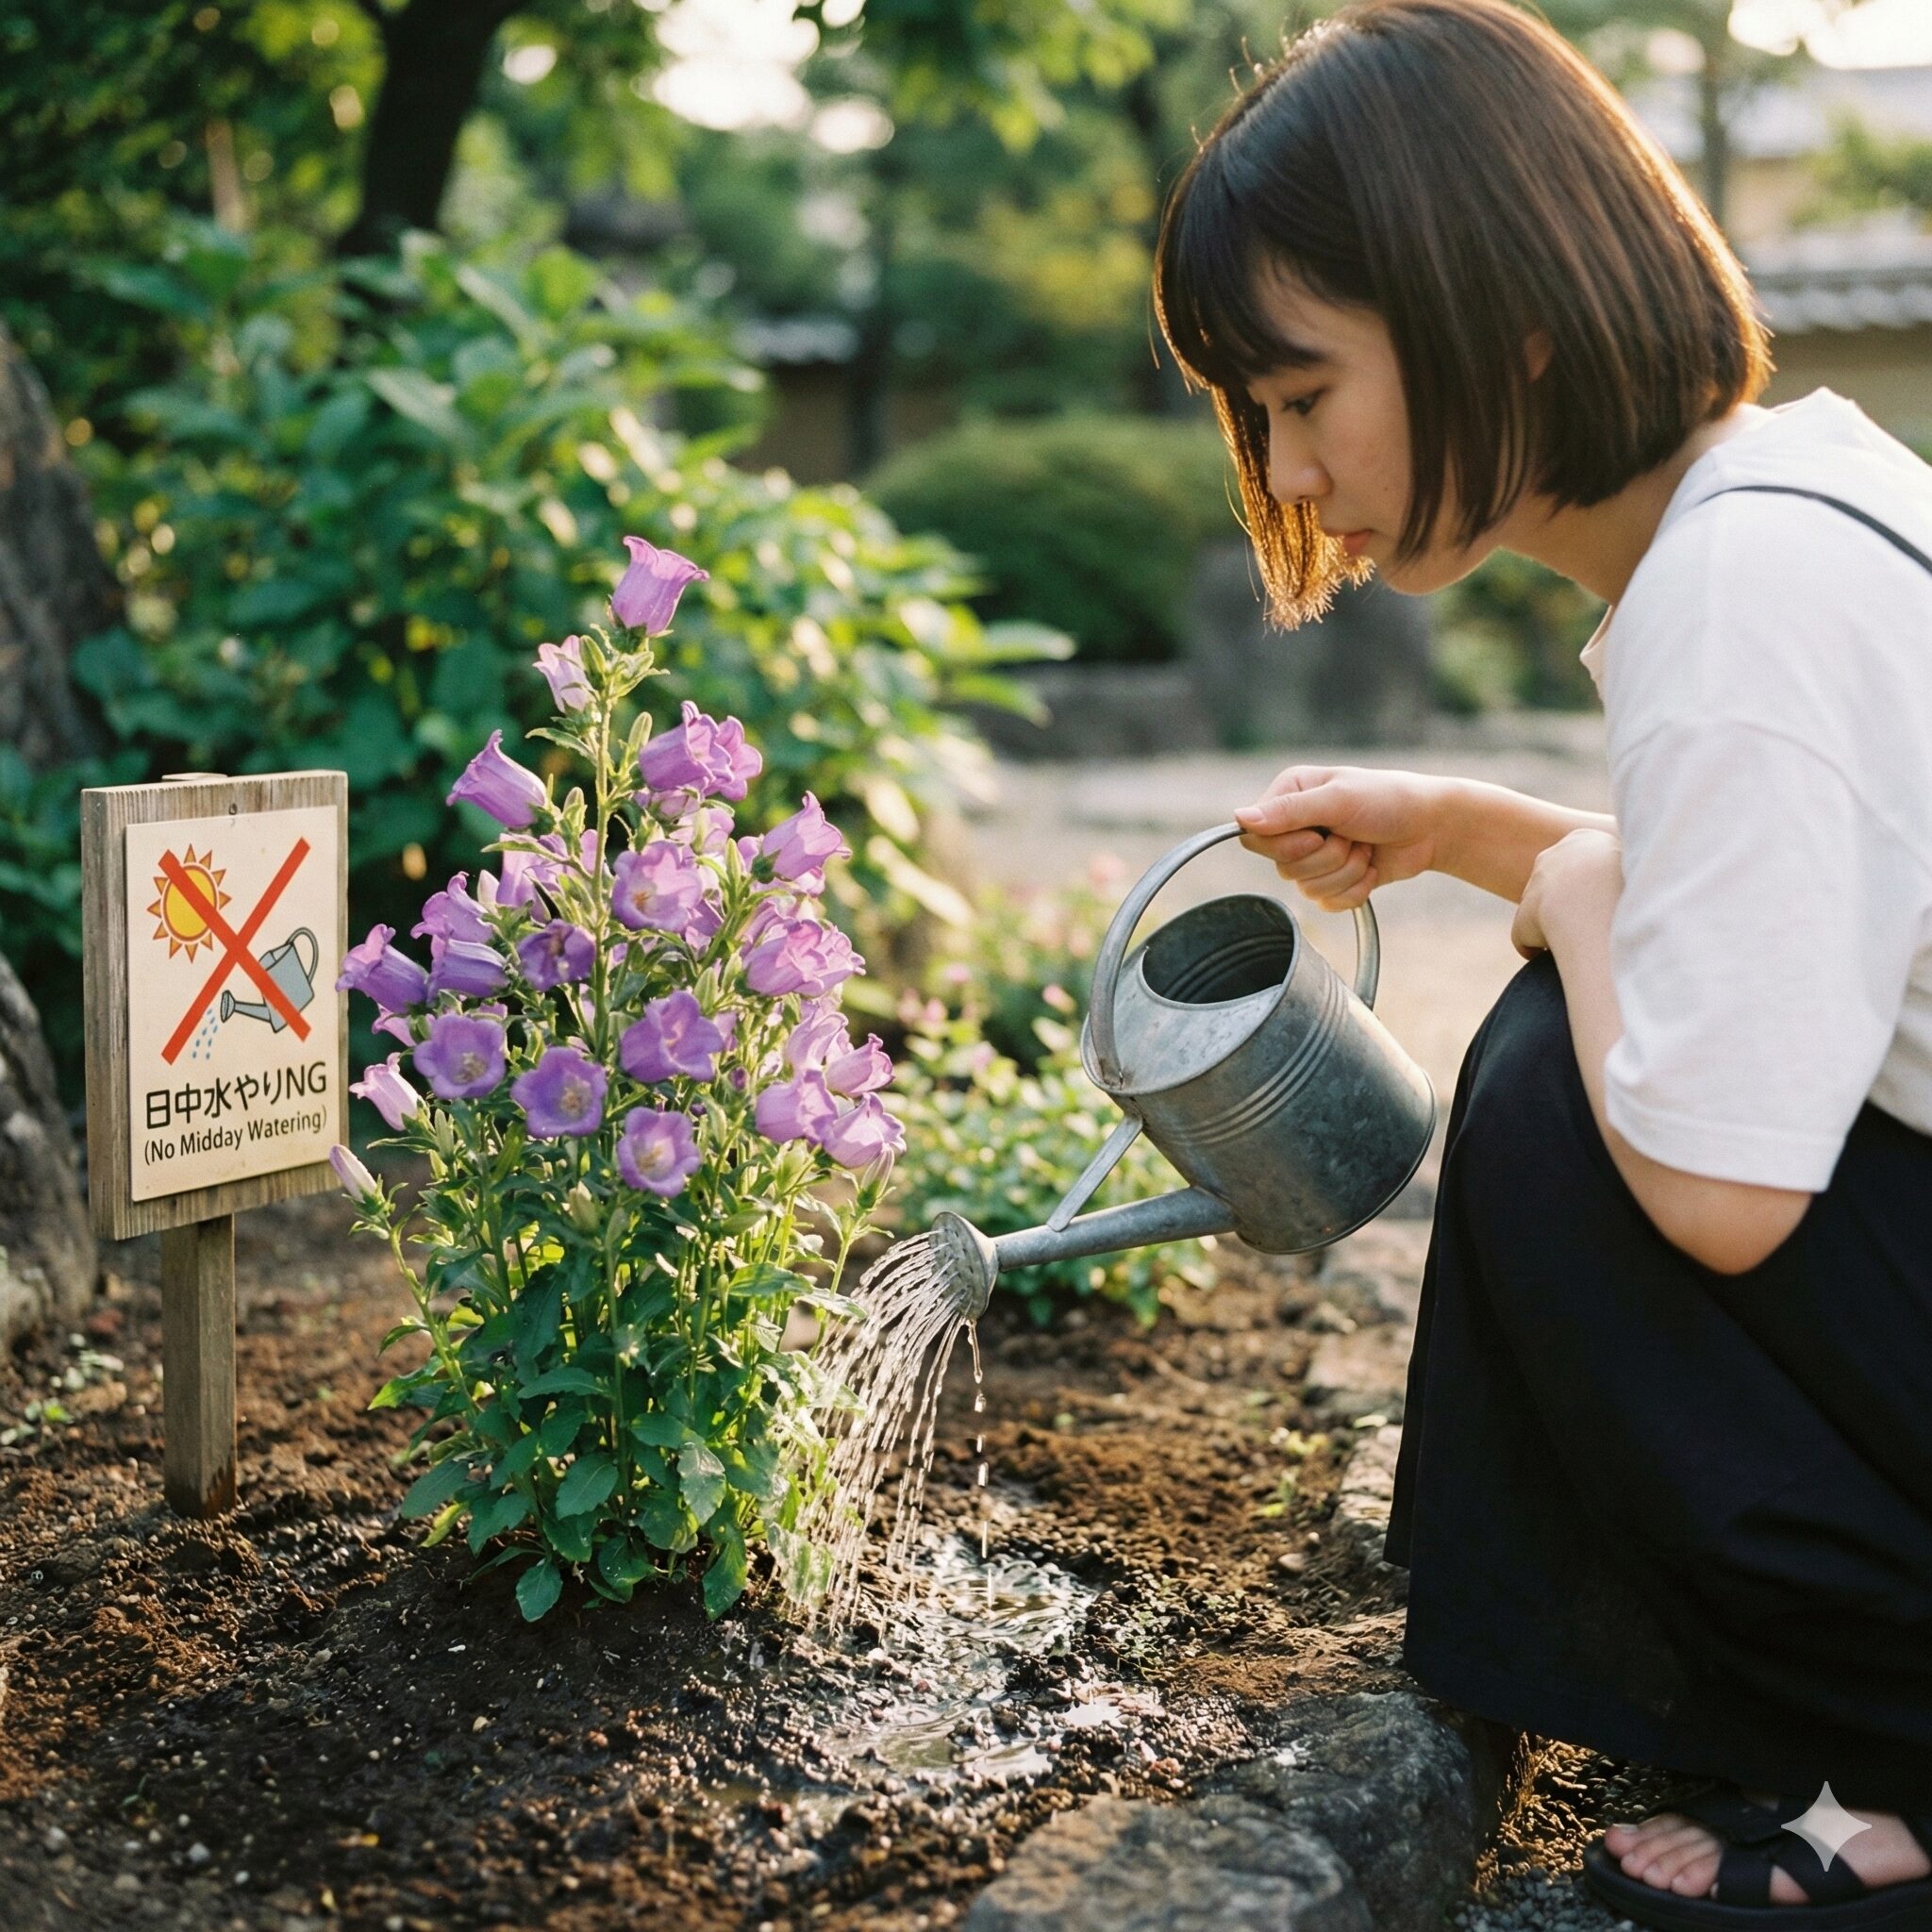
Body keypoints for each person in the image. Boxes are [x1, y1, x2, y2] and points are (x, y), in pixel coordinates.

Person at [1152, 1, 1932, 1923]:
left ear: (1498, 317)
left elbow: (1722, 1188)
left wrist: (1563, 902)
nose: (1288, 466)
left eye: (1300, 392)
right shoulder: (1785, 505)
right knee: (1571, 1030)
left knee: (1547, 1110)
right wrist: (1462, 830)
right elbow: (1758, 920)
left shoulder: (1739, 599)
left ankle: (1903, 1760)